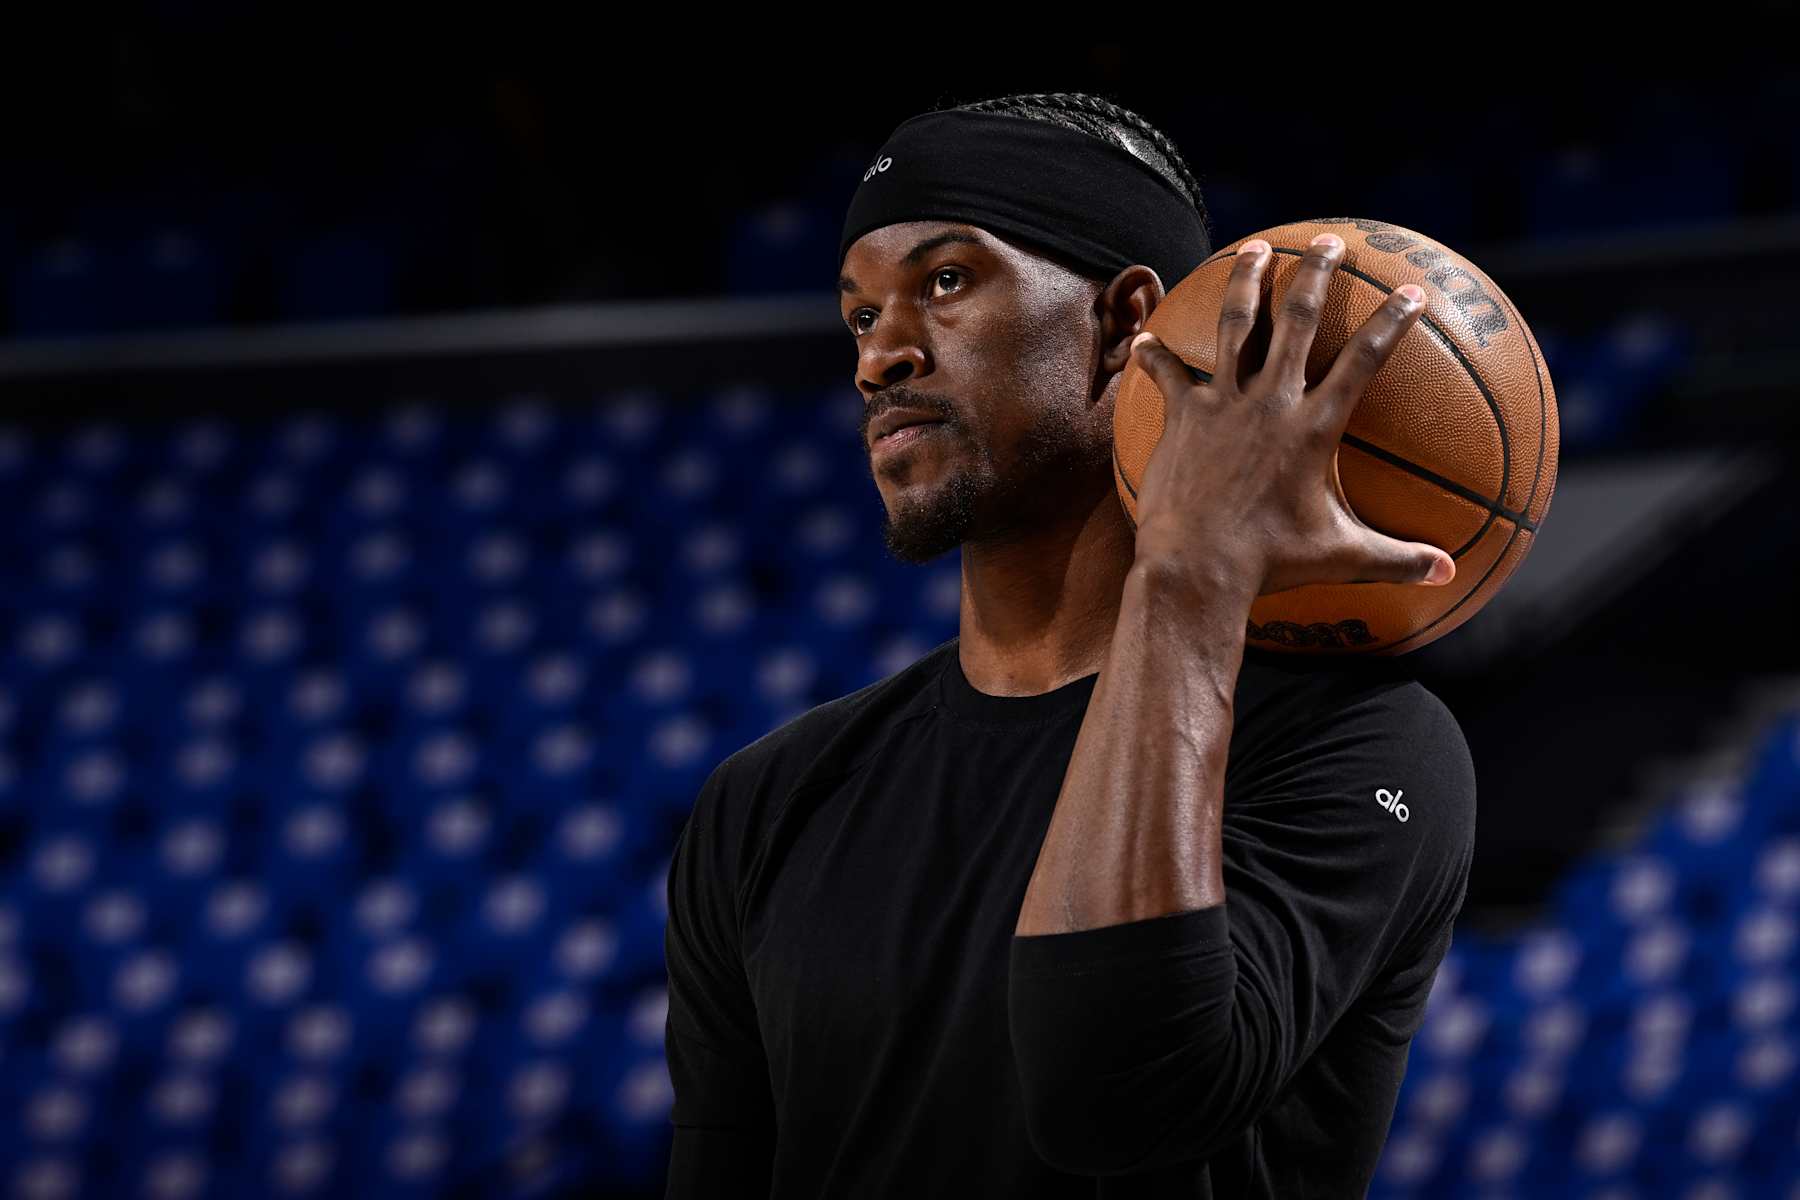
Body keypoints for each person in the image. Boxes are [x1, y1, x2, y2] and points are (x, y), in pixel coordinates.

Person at [662, 91, 1476, 1198]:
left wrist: (1189, 583)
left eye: (945, 282)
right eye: (860, 317)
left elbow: (1116, 1096)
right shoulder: (765, 801)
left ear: (1123, 321)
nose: (879, 359)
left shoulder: (1363, 746)